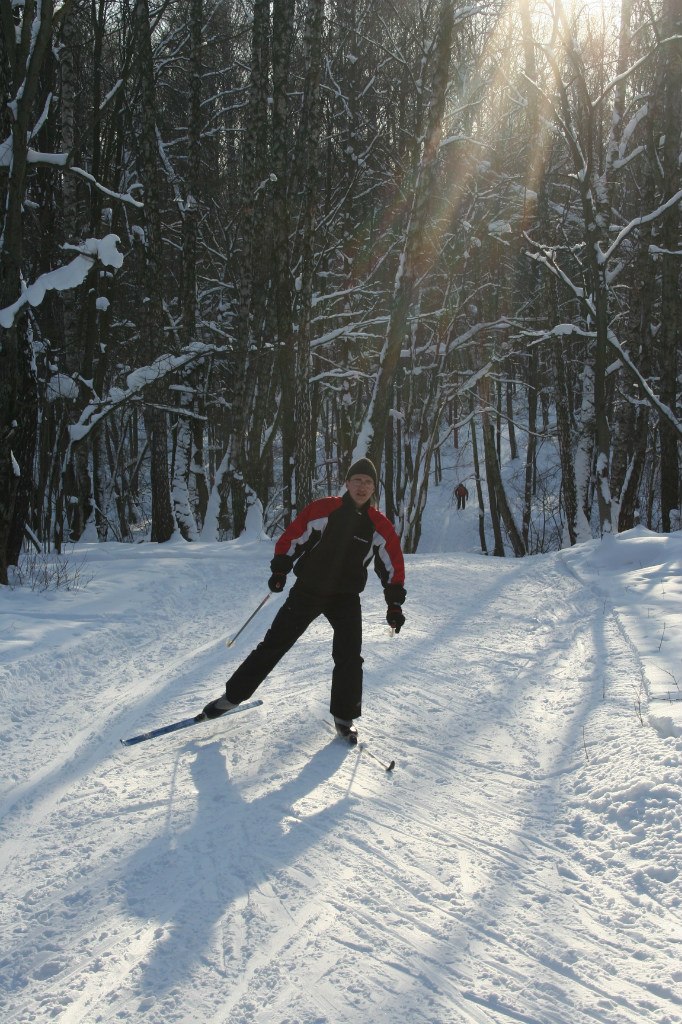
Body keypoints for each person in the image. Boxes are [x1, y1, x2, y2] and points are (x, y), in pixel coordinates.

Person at [198, 457, 406, 743]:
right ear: (347, 483)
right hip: (309, 589)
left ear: (373, 489)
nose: (362, 486)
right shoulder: (325, 509)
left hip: (345, 597)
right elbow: (294, 536)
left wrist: (394, 604)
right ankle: (231, 697)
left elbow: (393, 564)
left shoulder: (378, 525)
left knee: (349, 656)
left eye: (368, 482)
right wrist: (281, 568)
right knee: (274, 645)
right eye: (357, 480)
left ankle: (345, 718)